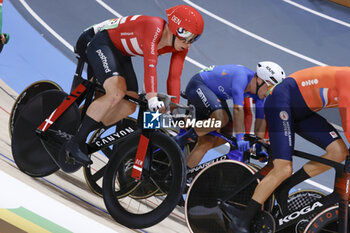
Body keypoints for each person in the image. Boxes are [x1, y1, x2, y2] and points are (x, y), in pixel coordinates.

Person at [65, 5, 204, 165]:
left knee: (130, 103)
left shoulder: (180, 45)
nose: (189, 44)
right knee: (116, 92)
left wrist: (174, 108)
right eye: (187, 37)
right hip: (99, 41)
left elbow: (174, 77)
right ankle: (75, 142)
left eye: (194, 39)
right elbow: (150, 65)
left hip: (120, 52)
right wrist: (152, 99)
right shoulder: (154, 27)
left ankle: (81, 126)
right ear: (175, 28)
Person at [229, 66, 350, 233]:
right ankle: (241, 220)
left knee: (339, 152)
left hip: (304, 111)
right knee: (283, 169)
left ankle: (284, 188)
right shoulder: (347, 79)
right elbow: (348, 121)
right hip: (281, 100)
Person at [175, 62, 286, 168]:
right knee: (221, 119)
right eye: (270, 88)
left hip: (213, 94)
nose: (269, 93)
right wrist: (240, 138)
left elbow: (260, 119)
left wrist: (259, 144)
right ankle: (182, 139)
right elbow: (238, 110)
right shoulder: (241, 77)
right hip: (198, 84)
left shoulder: (259, 94)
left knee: (221, 137)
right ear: (260, 80)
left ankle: (183, 173)